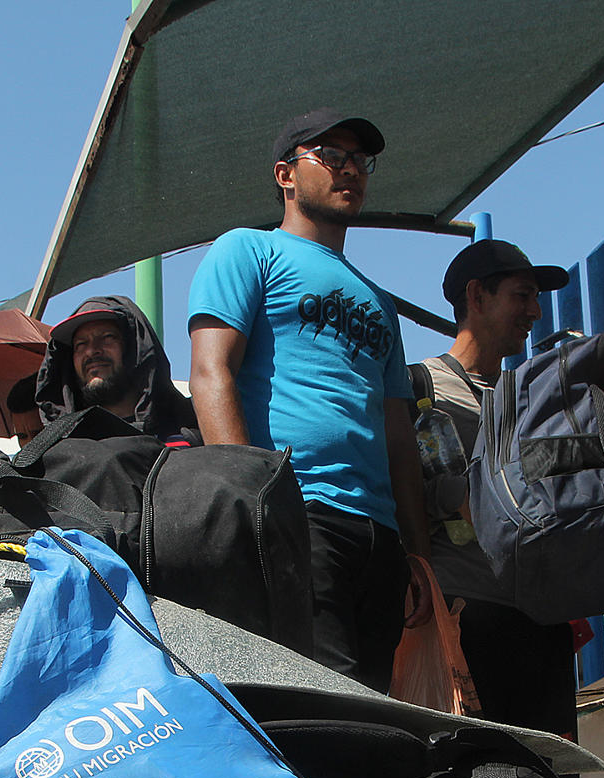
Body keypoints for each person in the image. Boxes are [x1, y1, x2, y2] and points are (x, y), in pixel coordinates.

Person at [188, 107, 432, 692]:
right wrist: (250, 505)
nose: (352, 171)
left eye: (361, 161)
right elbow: (210, 371)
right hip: (297, 511)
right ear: (286, 175)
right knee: (328, 702)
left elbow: (398, 431)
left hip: (378, 535)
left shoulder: (380, 301)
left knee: (374, 703)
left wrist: (419, 556)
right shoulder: (246, 250)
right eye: (332, 157)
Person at [412, 239, 576, 736]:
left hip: (542, 618)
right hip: (466, 614)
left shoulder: (531, 396)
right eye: (522, 296)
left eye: (536, 299)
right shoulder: (420, 387)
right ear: (477, 296)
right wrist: (457, 497)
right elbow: (403, 495)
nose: (535, 311)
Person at [36, 295, 198, 444]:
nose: (92, 351)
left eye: (107, 337)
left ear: (136, 349)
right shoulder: (59, 455)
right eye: (81, 344)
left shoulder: (194, 431)